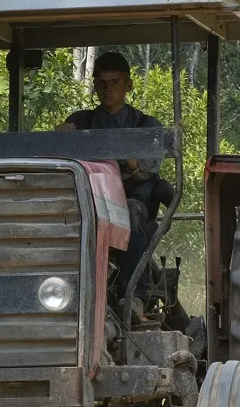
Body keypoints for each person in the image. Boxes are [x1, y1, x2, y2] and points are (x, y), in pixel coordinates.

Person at [59, 52, 174, 298]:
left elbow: (146, 170)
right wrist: (63, 139)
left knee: (129, 212)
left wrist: (119, 152)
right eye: (102, 82)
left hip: (133, 202)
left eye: (115, 82)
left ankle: (134, 298)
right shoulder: (80, 121)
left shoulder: (147, 125)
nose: (107, 89)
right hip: (86, 201)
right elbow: (61, 158)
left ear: (128, 85)